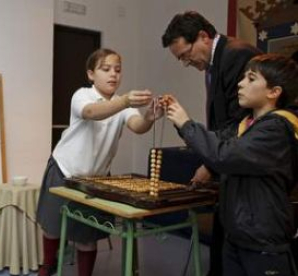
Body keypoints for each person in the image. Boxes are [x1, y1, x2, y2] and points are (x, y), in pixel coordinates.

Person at [163, 53, 298, 276]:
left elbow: (224, 155)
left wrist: (185, 123)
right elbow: (214, 140)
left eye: (251, 79)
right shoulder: (247, 124)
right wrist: (180, 121)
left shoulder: (276, 130)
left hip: (262, 242)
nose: (241, 83)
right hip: (236, 236)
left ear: (274, 92)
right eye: (243, 77)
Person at [36, 48, 163, 276]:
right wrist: (124, 101)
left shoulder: (123, 105)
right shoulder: (82, 95)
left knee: (87, 237)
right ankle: (46, 267)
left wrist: (150, 117)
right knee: (52, 227)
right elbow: (92, 112)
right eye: (106, 69)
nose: (113, 74)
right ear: (91, 74)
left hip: (94, 180)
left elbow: (138, 127)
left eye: (117, 70)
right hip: (64, 169)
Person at [161, 11, 262, 275]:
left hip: (244, 169)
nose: (185, 62)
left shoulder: (236, 55)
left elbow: (241, 123)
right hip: (226, 161)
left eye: (185, 55)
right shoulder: (216, 61)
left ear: (203, 37)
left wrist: (210, 163)